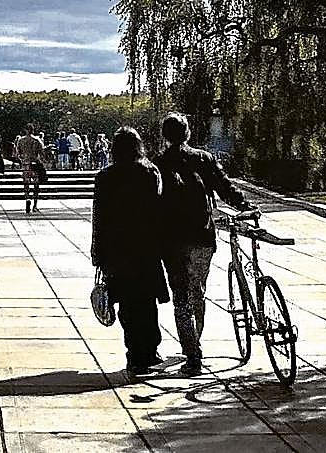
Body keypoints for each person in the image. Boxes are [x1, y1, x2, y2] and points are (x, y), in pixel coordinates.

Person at [155, 112, 256, 377]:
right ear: (187, 133)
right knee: (198, 291)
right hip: (201, 237)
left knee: (181, 298)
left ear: (164, 136)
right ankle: (195, 340)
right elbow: (224, 187)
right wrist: (244, 205)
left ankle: (192, 352)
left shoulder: (158, 165)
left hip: (172, 241)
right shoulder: (203, 159)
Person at [91, 127, 169, 377]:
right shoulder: (150, 172)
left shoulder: (105, 177)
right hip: (145, 246)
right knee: (147, 301)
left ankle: (134, 354)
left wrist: (97, 250)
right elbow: (159, 209)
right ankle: (150, 350)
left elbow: (99, 216)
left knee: (126, 303)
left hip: (117, 248)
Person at [14, 125, 44, 214]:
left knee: (26, 184)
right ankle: (35, 205)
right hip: (35, 164)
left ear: (26, 130)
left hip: (26, 164)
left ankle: (27, 199)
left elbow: (18, 153)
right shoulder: (37, 140)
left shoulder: (21, 140)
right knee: (36, 185)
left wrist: (22, 159)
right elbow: (41, 153)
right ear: (33, 130)